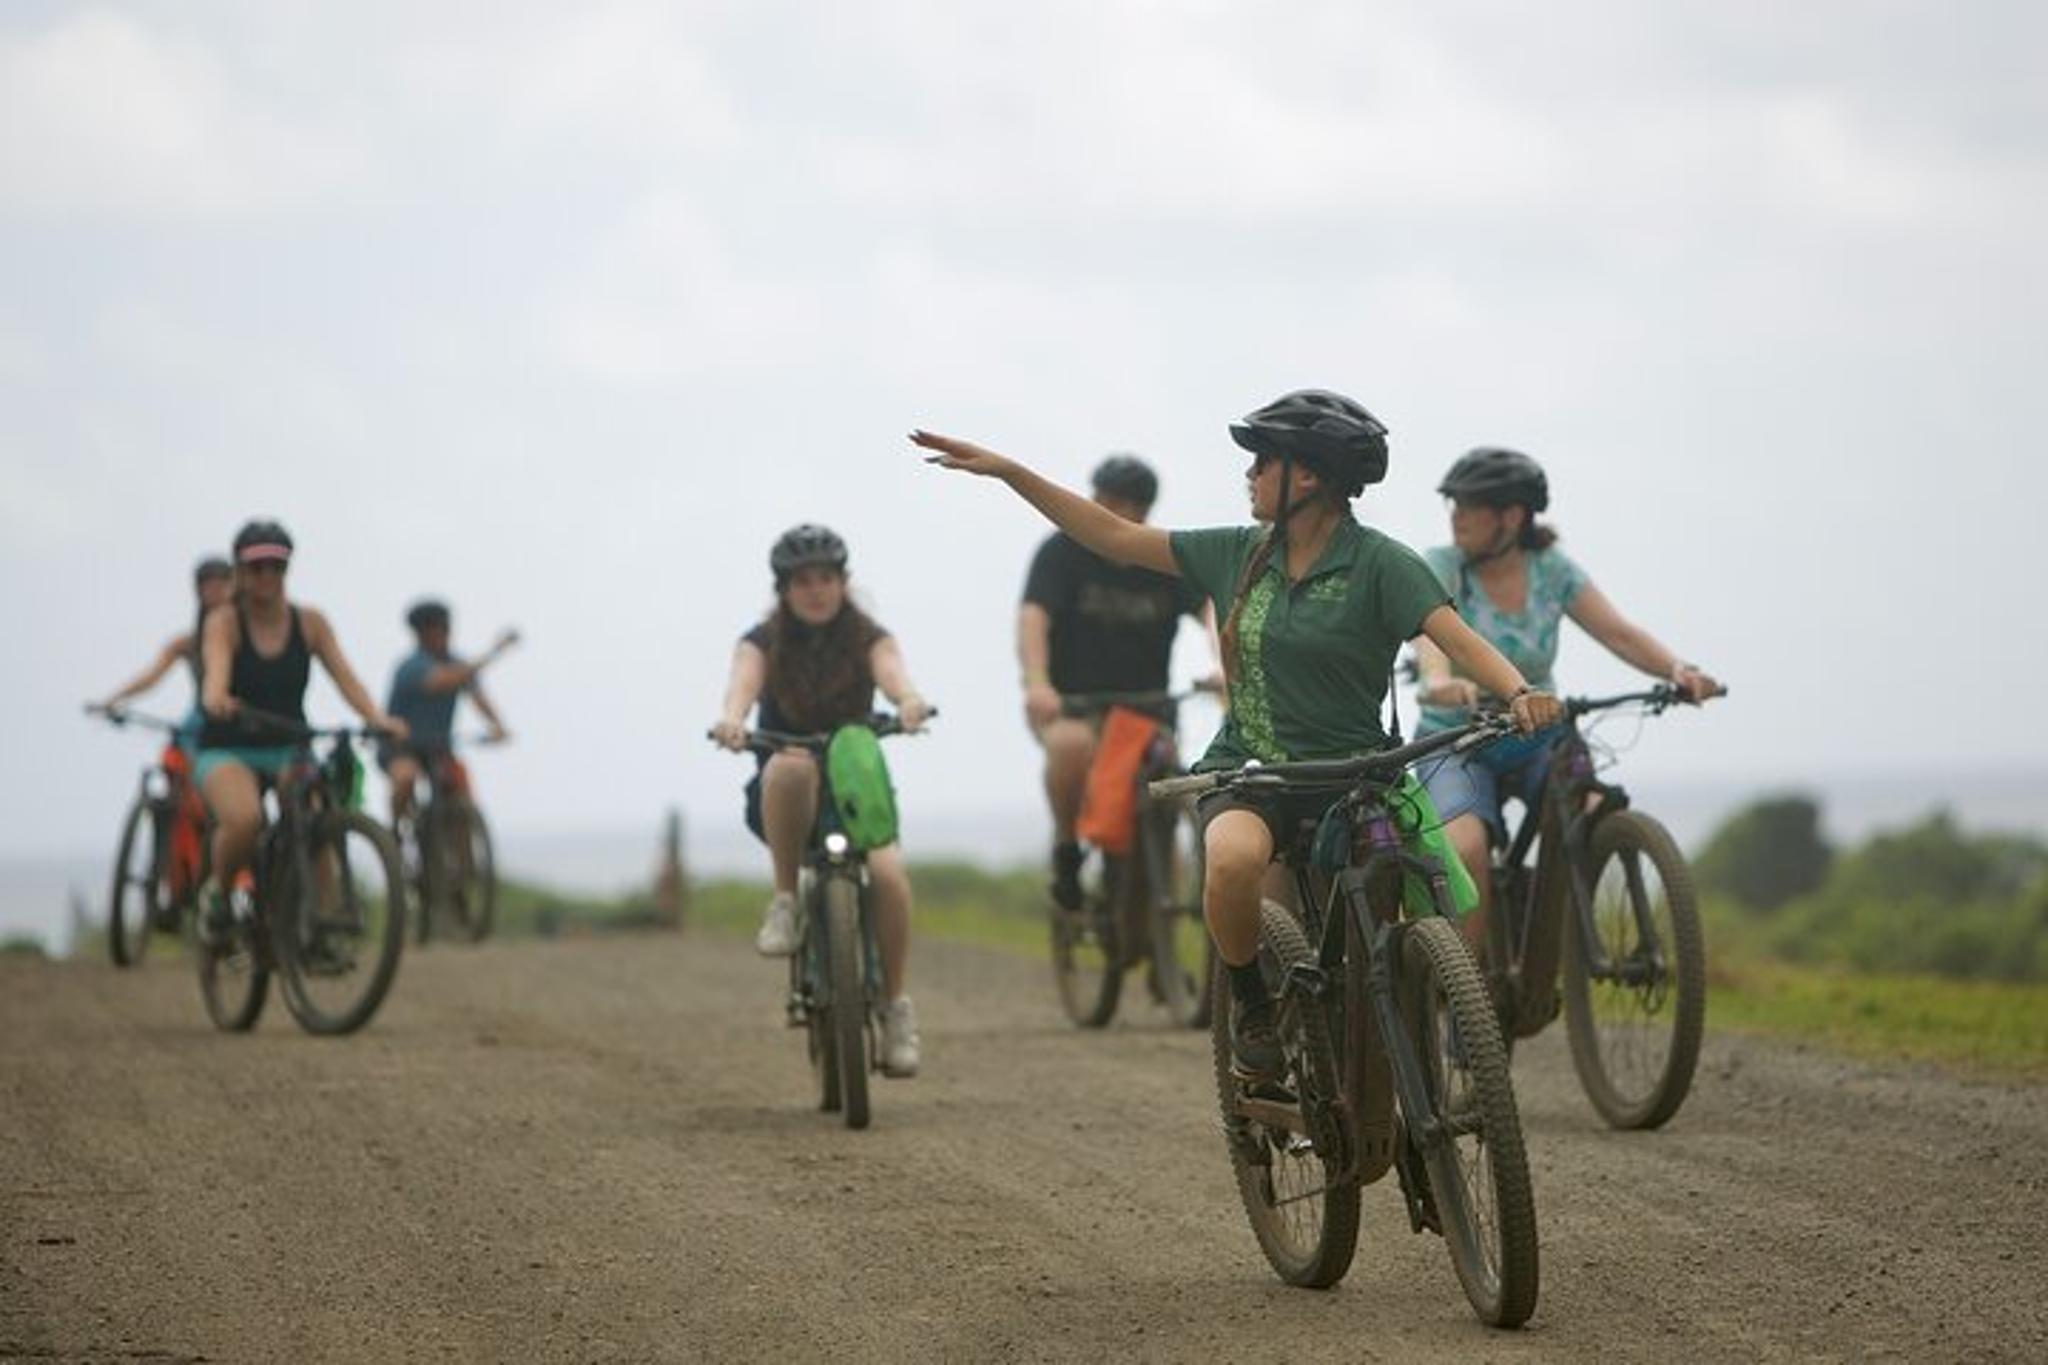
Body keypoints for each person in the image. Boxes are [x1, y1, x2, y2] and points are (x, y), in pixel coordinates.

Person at [915, 390, 1563, 1081]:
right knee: (1231, 862)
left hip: (1357, 775)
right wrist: (1014, 473)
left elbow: (1459, 642)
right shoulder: (1233, 552)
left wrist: (1519, 692)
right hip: (1253, 772)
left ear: (1307, 476)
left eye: (1262, 462)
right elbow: (1112, 537)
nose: (1248, 474)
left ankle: (1408, 1016)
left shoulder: (1383, 563)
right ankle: (1253, 1003)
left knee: (1412, 896)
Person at [1410, 446, 1722, 947]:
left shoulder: (1551, 570)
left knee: (1598, 811)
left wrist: (1678, 669)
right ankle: (1461, 1003)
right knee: (1465, 848)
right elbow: (1429, 634)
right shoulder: (1442, 566)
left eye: (1469, 505)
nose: (1456, 517)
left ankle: (1572, 946)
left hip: (1536, 731)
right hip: (1455, 739)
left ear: (1511, 517)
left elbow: (1618, 633)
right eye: (1453, 504)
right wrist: (1439, 681)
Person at [709, 525, 935, 1078]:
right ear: (784, 589)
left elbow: (893, 673)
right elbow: (742, 682)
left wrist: (907, 702)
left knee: (887, 876)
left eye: (827, 579)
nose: (816, 591)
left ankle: (894, 1006)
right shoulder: (762, 640)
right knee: (790, 764)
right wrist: (733, 720)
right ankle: (785, 899)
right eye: (803, 581)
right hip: (785, 799)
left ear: (843, 583)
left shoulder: (867, 636)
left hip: (854, 788)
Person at [1019, 453, 1219, 911]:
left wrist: (1223, 667)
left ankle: (1158, 917)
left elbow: (1210, 610)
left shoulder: (1159, 556)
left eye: (1123, 504)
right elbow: (1033, 619)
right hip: (1074, 706)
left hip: (1148, 709)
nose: (1108, 511)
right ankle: (1067, 849)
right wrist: (1036, 682)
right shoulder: (1060, 553)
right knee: (1070, 750)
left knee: (1168, 780)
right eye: (1103, 499)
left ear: (1144, 512)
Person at [194, 520, 406, 937]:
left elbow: (347, 680)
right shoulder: (224, 622)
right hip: (229, 747)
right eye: (256, 568)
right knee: (245, 820)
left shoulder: (311, 623)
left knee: (318, 819)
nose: (267, 577)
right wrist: (217, 698)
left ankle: (319, 923)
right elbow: (214, 673)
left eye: (277, 567)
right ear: (240, 571)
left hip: (289, 745)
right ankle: (218, 893)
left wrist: (377, 719)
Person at [380, 599, 517, 828]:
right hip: (401, 747)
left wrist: (497, 726)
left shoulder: (457, 663)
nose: (443, 634)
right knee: (406, 779)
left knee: (461, 792)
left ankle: (466, 856)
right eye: (436, 629)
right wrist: (495, 652)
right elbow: (443, 680)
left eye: (445, 628)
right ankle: (396, 833)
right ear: (421, 634)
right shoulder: (412, 667)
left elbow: (479, 699)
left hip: (439, 748)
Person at [96, 555, 235, 749]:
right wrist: (114, 699)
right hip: (203, 718)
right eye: (209, 587)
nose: (216, 593)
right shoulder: (186, 643)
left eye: (222, 586)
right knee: (175, 755)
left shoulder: (255, 638)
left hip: (248, 715)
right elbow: (150, 677)